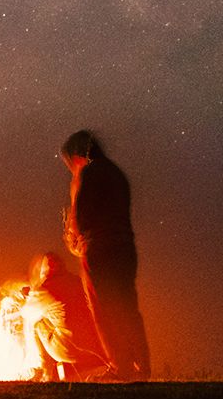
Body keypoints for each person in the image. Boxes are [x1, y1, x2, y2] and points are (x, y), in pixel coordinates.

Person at [62, 130, 151, 380]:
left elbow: (80, 217)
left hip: (99, 248)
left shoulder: (87, 173)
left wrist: (74, 239)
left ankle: (119, 366)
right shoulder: (117, 173)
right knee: (127, 306)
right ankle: (142, 367)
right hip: (125, 247)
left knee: (104, 309)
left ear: (76, 155)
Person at [22, 250, 111, 381]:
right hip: (93, 348)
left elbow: (26, 312)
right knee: (52, 318)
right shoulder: (77, 281)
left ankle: (45, 371)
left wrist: (28, 295)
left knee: (36, 323)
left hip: (67, 350)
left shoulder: (45, 289)